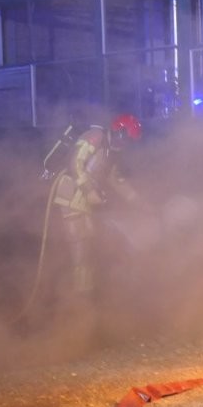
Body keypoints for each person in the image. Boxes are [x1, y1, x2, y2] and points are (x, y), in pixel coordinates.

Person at [51, 113, 142, 298]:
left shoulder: (111, 151)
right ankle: (80, 297)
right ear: (119, 132)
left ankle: (85, 291)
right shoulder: (95, 136)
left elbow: (115, 180)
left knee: (89, 245)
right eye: (125, 139)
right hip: (70, 197)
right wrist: (89, 190)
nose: (125, 145)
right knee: (80, 248)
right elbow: (75, 163)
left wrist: (137, 200)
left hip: (83, 202)